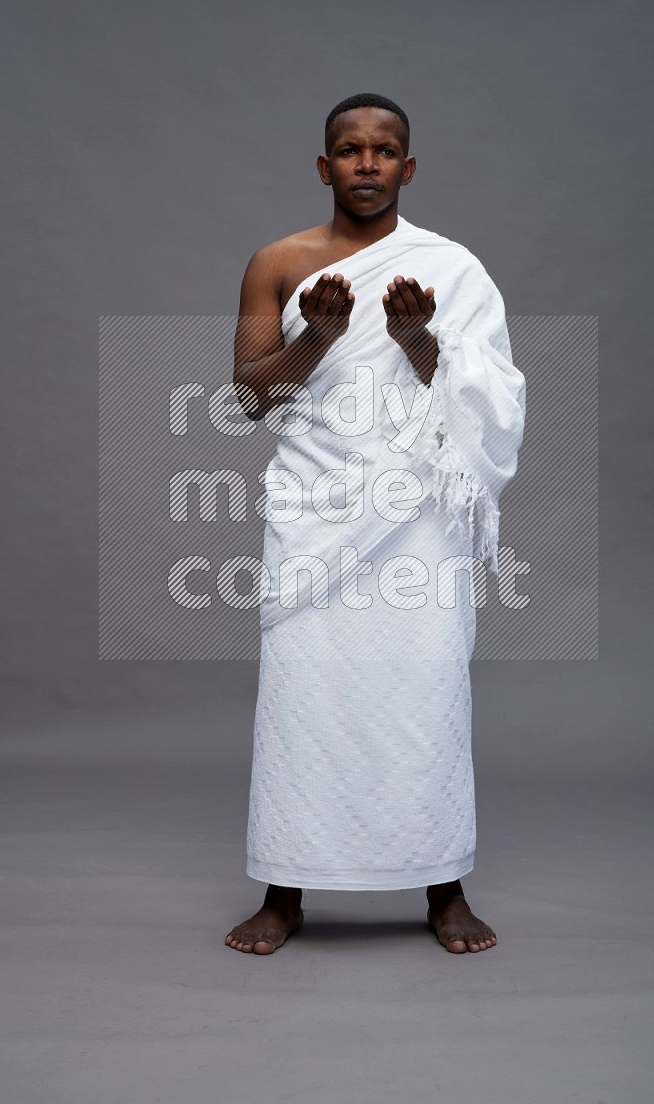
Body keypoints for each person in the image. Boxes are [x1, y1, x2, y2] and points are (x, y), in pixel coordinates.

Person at [225, 93, 526, 954]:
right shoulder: (276, 263)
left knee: (422, 693)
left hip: (416, 519)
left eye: (383, 150)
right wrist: (315, 339)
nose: (366, 163)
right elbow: (250, 399)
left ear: (408, 166)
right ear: (324, 166)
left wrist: (417, 338)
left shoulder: (450, 269)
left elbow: (486, 398)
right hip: (315, 509)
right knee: (303, 695)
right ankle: (284, 892)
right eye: (349, 150)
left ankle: (443, 886)